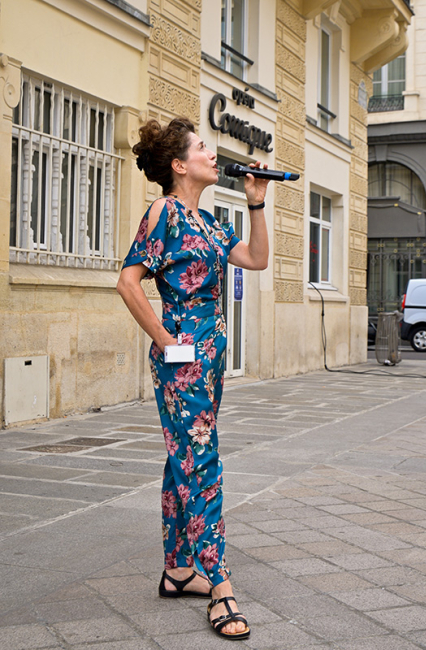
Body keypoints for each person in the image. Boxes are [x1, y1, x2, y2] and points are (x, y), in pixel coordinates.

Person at [117, 117, 269, 640]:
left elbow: (256, 258)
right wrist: (166, 341)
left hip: (210, 357)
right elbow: (128, 280)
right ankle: (220, 583)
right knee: (201, 460)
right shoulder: (164, 212)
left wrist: (256, 201)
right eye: (203, 146)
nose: (211, 153)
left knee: (182, 455)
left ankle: (179, 571)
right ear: (180, 165)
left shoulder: (208, 223)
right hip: (183, 358)